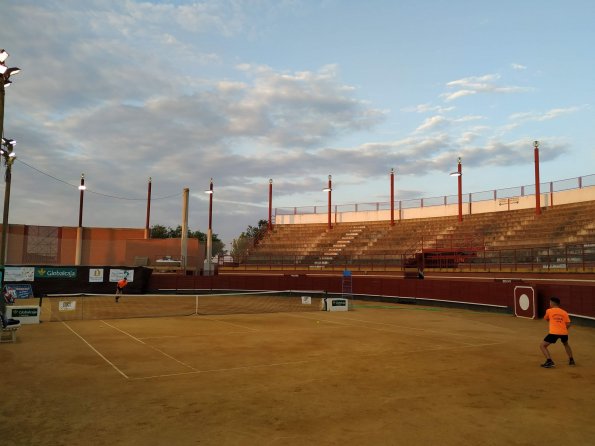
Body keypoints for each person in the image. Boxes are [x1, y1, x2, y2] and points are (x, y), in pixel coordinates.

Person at [539, 297, 575, 368]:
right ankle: (571, 360)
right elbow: (568, 324)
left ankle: (549, 361)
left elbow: (546, 318)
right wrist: (563, 329)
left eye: (550, 302)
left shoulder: (549, 311)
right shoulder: (564, 312)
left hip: (554, 333)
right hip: (564, 332)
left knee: (542, 345)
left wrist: (553, 322)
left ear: (552, 303)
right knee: (566, 344)